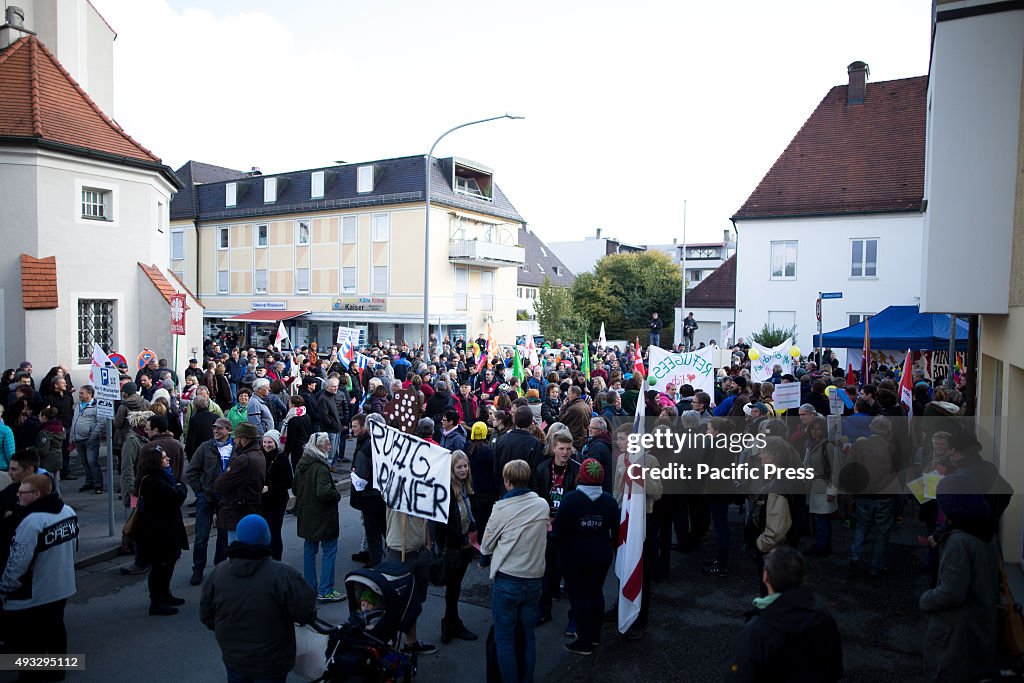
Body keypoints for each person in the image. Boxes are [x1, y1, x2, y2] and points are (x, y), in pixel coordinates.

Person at [200, 514, 317, 683]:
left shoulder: (218, 574)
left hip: (234, 658)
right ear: (266, 538)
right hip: (272, 662)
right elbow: (306, 612)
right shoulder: (283, 575)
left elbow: (206, 615)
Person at [919, 476, 1000, 682]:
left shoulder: (959, 541)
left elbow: (951, 592)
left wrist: (926, 599)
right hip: (980, 627)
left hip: (957, 635)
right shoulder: (985, 532)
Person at [724, 546, 842, 682]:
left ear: (765, 576)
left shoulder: (756, 632)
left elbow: (737, 677)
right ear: (802, 577)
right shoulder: (823, 616)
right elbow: (835, 670)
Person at [480, 459, 550, 683]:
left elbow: (486, 545)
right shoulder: (542, 505)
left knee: (505, 639)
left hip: (509, 579)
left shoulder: (501, 508)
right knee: (528, 636)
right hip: (534, 579)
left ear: (507, 481)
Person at [0, 473, 78, 671]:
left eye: (22, 493)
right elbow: (74, 546)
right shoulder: (68, 511)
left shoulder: (31, 522)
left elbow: (18, 561)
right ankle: (57, 670)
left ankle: (31, 676)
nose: (17, 496)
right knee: (56, 628)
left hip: (36, 590)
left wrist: (4, 589)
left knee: (29, 638)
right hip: (63, 585)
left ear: (37, 494)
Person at [553, 458, 618, 655]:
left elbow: (559, 532)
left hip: (575, 556)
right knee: (596, 593)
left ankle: (584, 641)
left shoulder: (571, 499)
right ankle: (595, 635)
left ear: (581, 476)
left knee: (579, 597)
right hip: (601, 554)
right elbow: (616, 531)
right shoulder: (609, 501)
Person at [134, 446, 189, 615]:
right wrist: (181, 488)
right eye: (164, 458)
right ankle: (156, 602)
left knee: (168, 564)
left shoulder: (164, 477)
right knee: (160, 566)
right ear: (155, 462)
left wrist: (178, 487)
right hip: (158, 532)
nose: (168, 460)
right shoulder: (152, 481)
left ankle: (165, 594)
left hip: (168, 528)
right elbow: (175, 497)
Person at [532, 431, 579, 624]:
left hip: (568, 529)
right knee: (546, 571)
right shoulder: (543, 468)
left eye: (568, 449)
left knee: (572, 574)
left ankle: (574, 619)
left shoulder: (576, 470)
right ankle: (544, 610)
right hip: (547, 527)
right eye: (561, 448)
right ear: (553, 449)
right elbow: (536, 493)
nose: (565, 453)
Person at [293, 432, 344, 602]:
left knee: (309, 551)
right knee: (329, 550)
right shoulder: (320, 467)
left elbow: (295, 489)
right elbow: (323, 493)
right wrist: (335, 495)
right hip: (322, 516)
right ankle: (326, 590)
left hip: (306, 514)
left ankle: (310, 587)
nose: (329, 446)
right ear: (319, 446)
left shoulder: (302, 463)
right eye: (327, 443)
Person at [437, 450, 479, 644]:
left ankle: (451, 621)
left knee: (455, 587)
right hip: (455, 547)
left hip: (465, 545)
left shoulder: (465, 487)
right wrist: (461, 540)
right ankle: (450, 622)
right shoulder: (447, 491)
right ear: (452, 469)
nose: (463, 470)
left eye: (465, 466)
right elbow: (444, 523)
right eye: (459, 467)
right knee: (453, 588)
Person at [186, 417, 234, 585]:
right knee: (201, 536)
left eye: (219, 429)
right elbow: (191, 472)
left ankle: (219, 569)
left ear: (228, 430)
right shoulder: (206, 447)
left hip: (225, 500)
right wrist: (200, 492)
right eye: (214, 428)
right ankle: (197, 569)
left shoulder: (236, 448)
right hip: (206, 498)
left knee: (223, 535)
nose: (215, 431)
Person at [214, 422, 266, 546]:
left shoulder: (244, 459)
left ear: (244, 439)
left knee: (237, 551)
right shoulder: (259, 455)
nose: (234, 440)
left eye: (236, 437)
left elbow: (219, 484)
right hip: (251, 508)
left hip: (238, 511)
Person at [349, 413, 386, 567]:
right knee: (387, 530)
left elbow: (361, 478)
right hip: (385, 495)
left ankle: (376, 563)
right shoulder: (387, 443)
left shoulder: (366, 448)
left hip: (370, 496)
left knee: (373, 533)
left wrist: (355, 476)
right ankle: (393, 560)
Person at [802, 416, 841, 557]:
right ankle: (822, 545)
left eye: (817, 429)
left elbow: (836, 470)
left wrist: (832, 490)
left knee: (822, 520)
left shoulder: (829, 446)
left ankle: (821, 547)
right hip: (813, 486)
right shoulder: (810, 445)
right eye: (812, 428)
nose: (814, 431)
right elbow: (806, 463)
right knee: (820, 519)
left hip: (824, 487)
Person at [260, 430, 292, 562]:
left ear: (276, 443)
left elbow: (288, 482)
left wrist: (270, 488)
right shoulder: (260, 456)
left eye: (270, 442)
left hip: (277, 500)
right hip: (262, 500)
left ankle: (275, 559)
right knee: (263, 531)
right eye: (265, 442)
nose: (267, 445)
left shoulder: (282, 458)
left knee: (274, 531)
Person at [70, 385, 104, 493]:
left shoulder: (96, 406)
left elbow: (101, 423)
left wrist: (93, 436)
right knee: (84, 462)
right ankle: (89, 482)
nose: (79, 395)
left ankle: (98, 484)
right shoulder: (78, 405)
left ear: (89, 394)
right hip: (78, 438)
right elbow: (74, 421)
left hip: (90, 439)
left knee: (92, 462)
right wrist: (72, 436)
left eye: (82, 393)